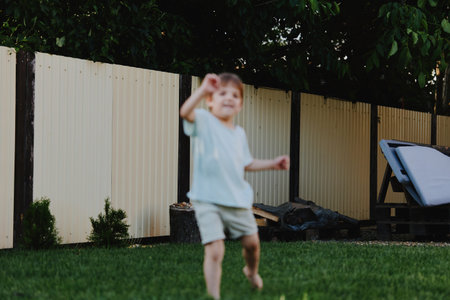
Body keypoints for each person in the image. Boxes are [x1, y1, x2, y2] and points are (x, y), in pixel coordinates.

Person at [179, 72, 290, 300]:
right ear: (210, 101)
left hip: (236, 200)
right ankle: (214, 296)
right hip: (207, 198)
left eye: (234, 95)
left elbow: (247, 163)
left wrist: (273, 163)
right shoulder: (203, 121)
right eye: (222, 93)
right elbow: (185, 112)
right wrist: (202, 90)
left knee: (252, 244)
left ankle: (251, 271)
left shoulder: (239, 134)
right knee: (215, 250)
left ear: (239, 105)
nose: (228, 98)